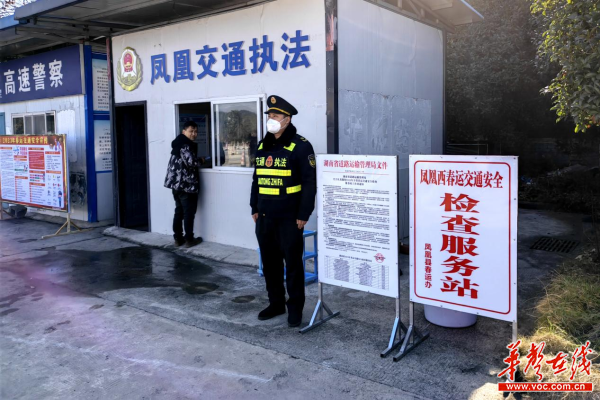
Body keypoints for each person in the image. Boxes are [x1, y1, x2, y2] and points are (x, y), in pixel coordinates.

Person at [250, 95, 317, 328]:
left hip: (289, 218)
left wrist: (303, 214)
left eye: (276, 115)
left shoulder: (301, 146)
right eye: (269, 115)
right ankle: (276, 303)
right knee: (270, 265)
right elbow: (257, 179)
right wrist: (254, 207)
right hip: (264, 217)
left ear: (287, 119)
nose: (271, 119)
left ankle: (295, 309)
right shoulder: (263, 145)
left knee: (293, 266)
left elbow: (309, 183)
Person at [164, 121, 205, 248]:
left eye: (196, 131)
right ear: (184, 131)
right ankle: (189, 239)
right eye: (191, 131)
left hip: (176, 185)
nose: (194, 134)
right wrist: (201, 160)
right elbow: (191, 162)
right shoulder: (185, 145)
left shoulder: (178, 143)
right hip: (185, 185)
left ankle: (178, 238)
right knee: (188, 213)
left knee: (179, 211)